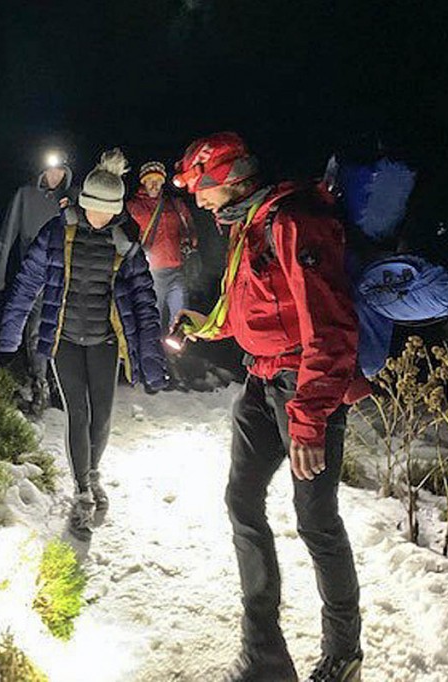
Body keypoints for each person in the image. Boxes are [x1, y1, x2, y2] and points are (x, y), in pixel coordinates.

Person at [172, 132, 363, 682]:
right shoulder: (248, 225)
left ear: (224, 177)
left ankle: (344, 652)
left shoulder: (293, 222)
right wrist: (208, 328)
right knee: (242, 502)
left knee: (316, 522)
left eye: (198, 188)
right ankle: (265, 656)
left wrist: (309, 416)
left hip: (305, 388)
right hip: (260, 385)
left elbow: (331, 328)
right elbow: (259, 307)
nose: (197, 201)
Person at [0, 149, 167, 540]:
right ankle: (81, 494)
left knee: (103, 415)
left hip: (105, 340)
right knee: (78, 412)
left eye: (108, 210)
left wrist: (153, 361)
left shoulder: (126, 243)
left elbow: (144, 302)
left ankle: (93, 473)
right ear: (84, 202)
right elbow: (27, 283)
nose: (99, 216)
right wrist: (12, 332)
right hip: (65, 339)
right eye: (94, 208)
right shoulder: (57, 233)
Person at [0, 152, 76, 413]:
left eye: (60, 171)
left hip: (66, 275)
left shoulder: (71, 198)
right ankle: (40, 386)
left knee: (64, 330)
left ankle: (60, 385)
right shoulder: (25, 195)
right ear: (42, 171)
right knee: (37, 330)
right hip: (35, 274)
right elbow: (7, 235)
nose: (55, 176)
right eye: (51, 171)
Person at [126, 161, 198, 331]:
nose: (154, 184)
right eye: (149, 179)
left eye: (158, 180)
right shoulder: (133, 206)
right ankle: (153, 352)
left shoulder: (175, 204)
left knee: (180, 317)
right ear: (143, 181)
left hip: (177, 269)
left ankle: (176, 352)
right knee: (151, 316)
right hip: (151, 273)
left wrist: (190, 242)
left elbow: (190, 228)